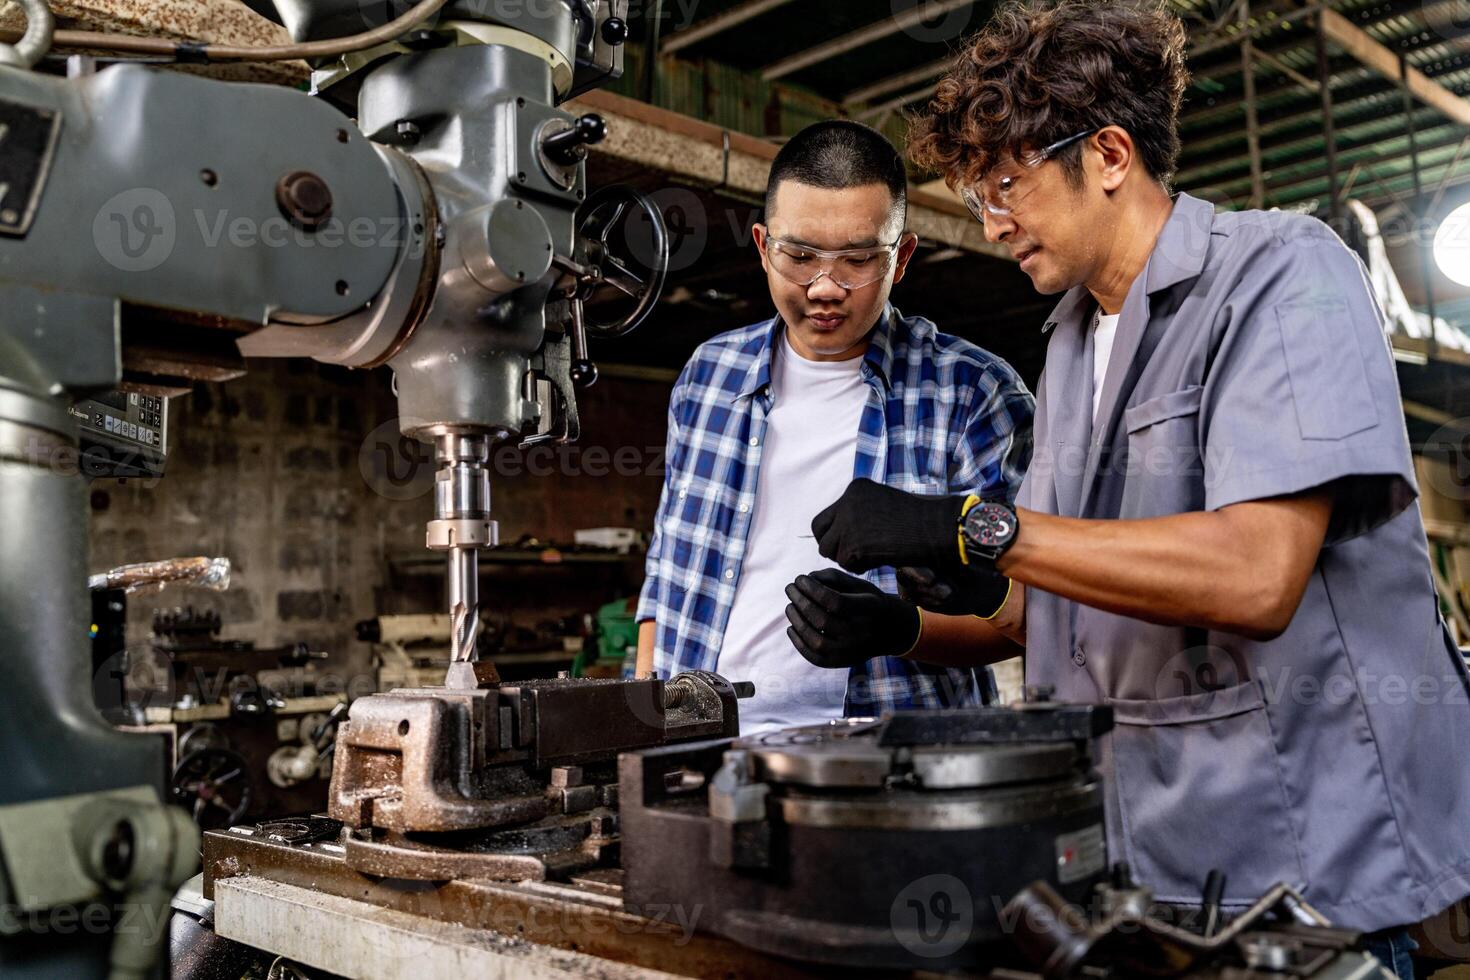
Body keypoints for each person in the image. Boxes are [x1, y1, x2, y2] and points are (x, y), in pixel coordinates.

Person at [798, 4, 1470, 976]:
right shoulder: (1071, 342)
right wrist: (910, 615)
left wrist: (975, 525)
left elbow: (1256, 572)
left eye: (1002, 184)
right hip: (1148, 878)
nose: (990, 222)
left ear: (1109, 152)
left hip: (1303, 886)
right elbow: (1050, 611)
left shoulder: (1284, 272)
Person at [634, 120, 1033, 733]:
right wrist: (640, 724)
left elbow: (1030, 619)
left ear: (900, 258)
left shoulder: (974, 393)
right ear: (764, 246)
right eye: (799, 257)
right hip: (702, 750)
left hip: (895, 765)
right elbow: (669, 571)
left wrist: (903, 631)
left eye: (856, 260)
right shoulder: (708, 375)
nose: (824, 287)